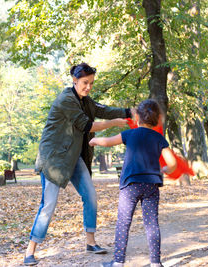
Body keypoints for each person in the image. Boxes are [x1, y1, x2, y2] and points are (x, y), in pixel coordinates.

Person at [24, 63, 134, 266]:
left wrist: (129, 111)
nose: (88, 87)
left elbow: (102, 110)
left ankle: (91, 243)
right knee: (48, 205)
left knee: (90, 195)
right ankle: (30, 251)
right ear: (74, 81)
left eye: (91, 83)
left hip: (74, 157)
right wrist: (117, 123)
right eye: (85, 83)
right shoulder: (66, 99)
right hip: (54, 159)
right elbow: (87, 126)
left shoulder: (85, 100)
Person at [89, 99, 177, 267]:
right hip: (151, 185)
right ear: (157, 119)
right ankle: (156, 263)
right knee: (152, 224)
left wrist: (94, 141)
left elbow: (108, 141)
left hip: (130, 185)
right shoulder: (159, 138)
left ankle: (118, 262)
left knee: (123, 222)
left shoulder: (130, 134)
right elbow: (172, 163)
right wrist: (164, 170)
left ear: (137, 118)